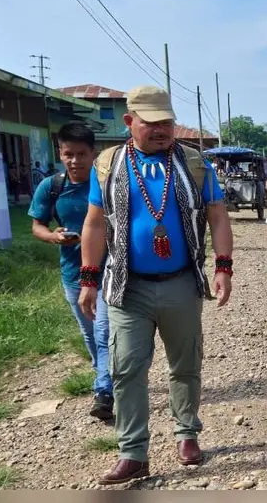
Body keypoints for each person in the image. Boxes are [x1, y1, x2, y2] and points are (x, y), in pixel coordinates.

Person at [78, 85, 235, 485]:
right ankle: (133, 453)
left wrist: (223, 266)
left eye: (167, 122)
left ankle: (187, 434)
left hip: (181, 283)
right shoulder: (107, 164)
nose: (162, 130)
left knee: (185, 365)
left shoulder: (195, 163)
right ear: (130, 121)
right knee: (127, 368)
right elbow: (95, 223)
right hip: (127, 287)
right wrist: (89, 278)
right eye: (152, 123)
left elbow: (218, 216)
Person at [28, 122, 113, 420]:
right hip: (72, 273)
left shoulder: (105, 185)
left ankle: (104, 391)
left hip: (109, 272)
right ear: (60, 154)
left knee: (104, 332)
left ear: (94, 154)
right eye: (68, 154)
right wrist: (53, 236)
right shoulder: (52, 186)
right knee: (89, 334)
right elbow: (36, 225)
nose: (75, 160)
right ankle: (104, 374)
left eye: (81, 154)